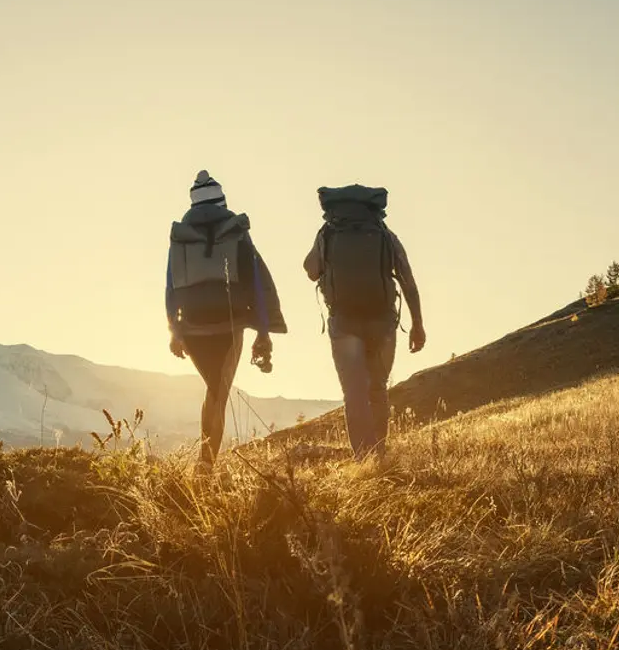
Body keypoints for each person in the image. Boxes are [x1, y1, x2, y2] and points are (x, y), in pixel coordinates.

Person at [165, 171, 286, 466]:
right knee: (218, 392)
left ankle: (205, 463)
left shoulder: (181, 236)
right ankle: (205, 467)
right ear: (222, 201)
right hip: (228, 324)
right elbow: (256, 279)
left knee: (214, 389)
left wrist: (174, 330)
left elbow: (170, 284)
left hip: (192, 327)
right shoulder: (236, 232)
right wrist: (264, 329)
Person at [303, 184, 425, 457]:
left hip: (344, 322)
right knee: (377, 387)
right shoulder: (383, 234)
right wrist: (417, 324)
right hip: (381, 321)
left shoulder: (328, 233)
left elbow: (311, 270)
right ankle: (379, 453)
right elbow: (408, 279)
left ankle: (362, 457)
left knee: (354, 391)